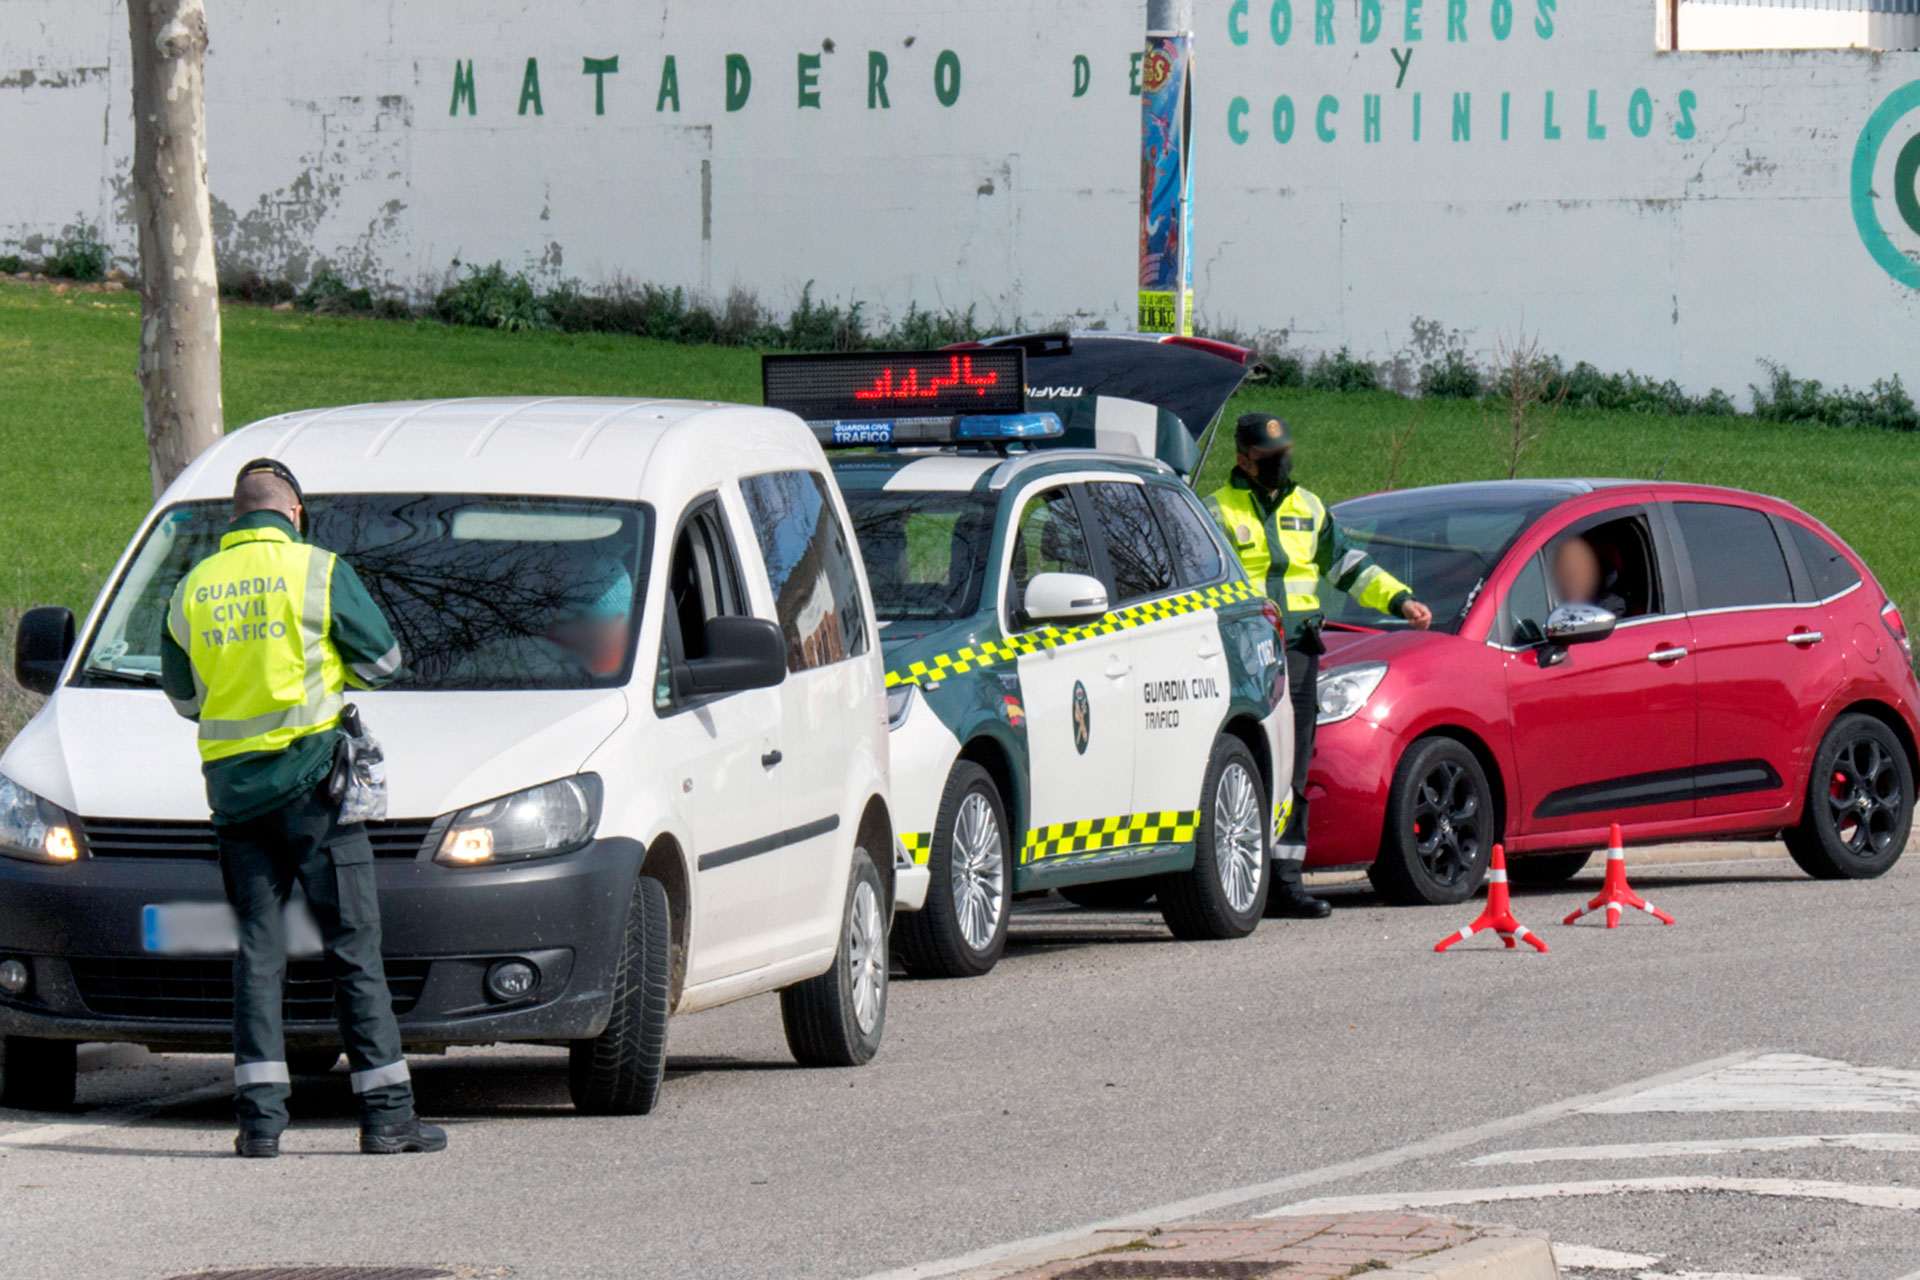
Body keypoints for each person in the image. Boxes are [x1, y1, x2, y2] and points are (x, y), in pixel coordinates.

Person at [161, 459, 446, 1159]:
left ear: (236, 517)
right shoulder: (317, 569)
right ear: (294, 514)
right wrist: (328, 673)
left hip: (236, 800)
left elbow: (186, 699)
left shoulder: (193, 587)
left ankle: (259, 1124)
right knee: (353, 948)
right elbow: (384, 664)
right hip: (318, 790)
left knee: (258, 955)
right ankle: (387, 1115)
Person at [1204, 415, 1433, 918]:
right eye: (1269, 457)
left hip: (1298, 651)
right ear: (1243, 459)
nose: (1281, 463)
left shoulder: (1308, 507)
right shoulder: (1216, 511)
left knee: (1294, 765)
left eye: (1284, 453)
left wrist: (1399, 600)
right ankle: (1239, 881)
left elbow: (1349, 566)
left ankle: (1285, 883)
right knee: (1245, 763)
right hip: (1242, 655)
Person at [1551, 535, 1628, 616]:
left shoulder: (1611, 606)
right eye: (1565, 571)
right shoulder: (1554, 604)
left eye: (1577, 568)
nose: (1570, 579)